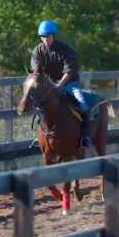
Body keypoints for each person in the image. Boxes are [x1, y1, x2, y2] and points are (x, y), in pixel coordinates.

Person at [30, 20, 93, 148]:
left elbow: (69, 71)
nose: (45, 39)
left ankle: (85, 137)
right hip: (48, 86)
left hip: (68, 82)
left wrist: (59, 84)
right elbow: (36, 71)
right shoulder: (37, 51)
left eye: (48, 36)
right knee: (38, 106)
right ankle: (41, 137)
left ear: (53, 35)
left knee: (83, 105)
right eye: (43, 36)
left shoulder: (66, 50)